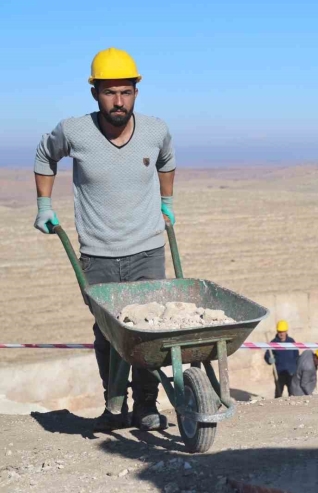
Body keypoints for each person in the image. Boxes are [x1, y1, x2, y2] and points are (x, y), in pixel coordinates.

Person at [33, 47, 176, 432]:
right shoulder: (74, 131)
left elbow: (167, 160)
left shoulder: (156, 129)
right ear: (95, 92)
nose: (119, 101)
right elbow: (45, 157)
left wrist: (166, 201)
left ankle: (147, 404)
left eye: (126, 92)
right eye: (110, 92)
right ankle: (115, 407)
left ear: (136, 93)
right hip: (98, 256)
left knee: (150, 330)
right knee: (108, 333)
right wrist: (44, 204)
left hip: (146, 249)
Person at [264, 320, 299, 398]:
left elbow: (296, 355)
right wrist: (269, 359)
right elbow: (267, 355)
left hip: (291, 372)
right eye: (279, 331)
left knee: (292, 393)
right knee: (279, 393)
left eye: (283, 331)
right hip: (279, 372)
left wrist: (295, 368)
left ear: (286, 331)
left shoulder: (291, 341)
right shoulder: (273, 342)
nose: (281, 333)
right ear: (277, 331)